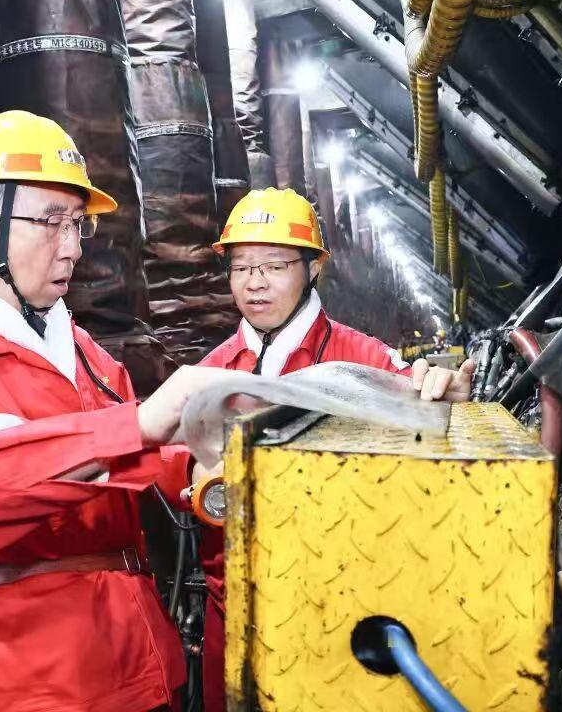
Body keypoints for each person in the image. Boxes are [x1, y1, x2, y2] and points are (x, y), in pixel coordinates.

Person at [0, 110, 238, 712]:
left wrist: (206, 458)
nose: (72, 248)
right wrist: (134, 425)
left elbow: (137, 468)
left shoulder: (91, 357)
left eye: (77, 224)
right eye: (50, 223)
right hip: (26, 680)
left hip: (138, 660)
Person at [159, 187, 475, 712]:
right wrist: (193, 467)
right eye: (241, 267)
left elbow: (427, 432)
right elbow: (164, 457)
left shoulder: (364, 360)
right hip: (230, 607)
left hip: (337, 603)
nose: (255, 282)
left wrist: (443, 399)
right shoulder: (208, 372)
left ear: (312, 268)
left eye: (273, 265)